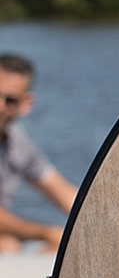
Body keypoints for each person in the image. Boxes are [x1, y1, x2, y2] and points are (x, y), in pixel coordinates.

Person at [0, 53, 77, 252]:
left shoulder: (17, 141)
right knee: (8, 245)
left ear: (26, 104)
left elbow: (65, 195)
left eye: (9, 100)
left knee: (61, 245)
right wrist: (43, 232)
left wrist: (113, 219)